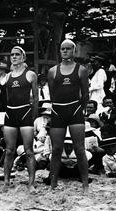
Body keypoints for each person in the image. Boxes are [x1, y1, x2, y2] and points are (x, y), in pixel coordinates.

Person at [47, 39, 90, 192]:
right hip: (58, 111)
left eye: (68, 49)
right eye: (62, 49)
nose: (65, 51)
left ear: (74, 51)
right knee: (57, 149)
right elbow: (53, 93)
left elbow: (85, 94)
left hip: (75, 111)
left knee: (79, 149)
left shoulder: (81, 70)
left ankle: (85, 184)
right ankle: (53, 183)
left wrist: (80, 109)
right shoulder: (52, 71)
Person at [2, 46, 38, 191]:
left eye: (17, 54)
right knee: (9, 150)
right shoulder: (8, 76)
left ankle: (31, 182)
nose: (14, 57)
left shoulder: (30, 74)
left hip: (25, 113)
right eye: (12, 54)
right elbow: (7, 97)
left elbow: (35, 98)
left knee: (28, 150)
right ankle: (6, 182)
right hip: (10, 113)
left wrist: (33, 117)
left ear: (23, 57)